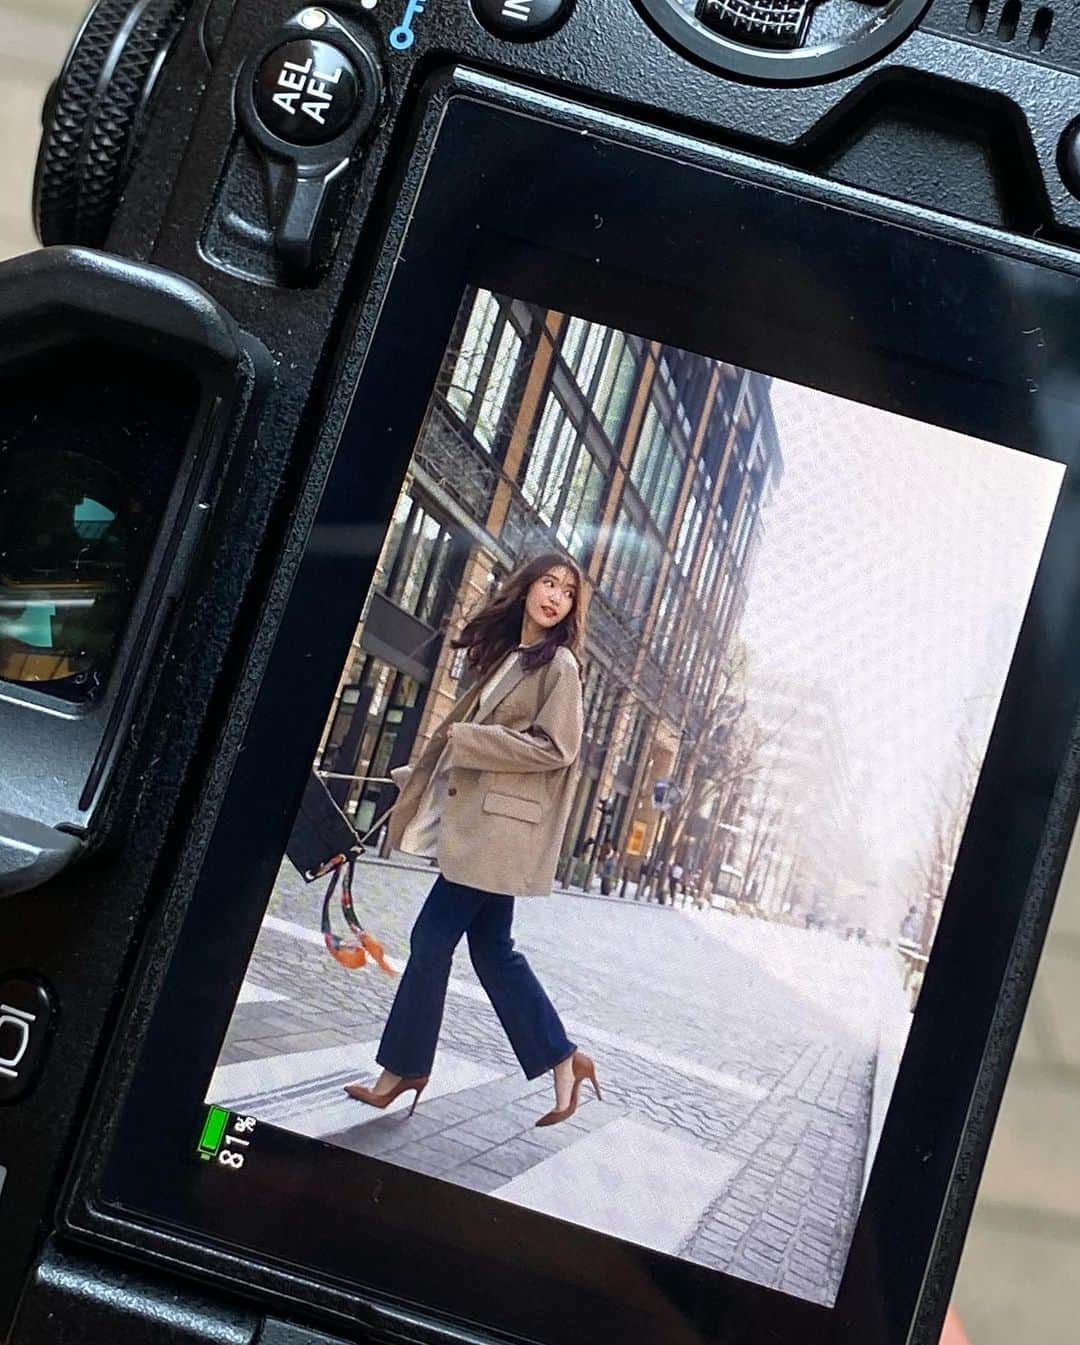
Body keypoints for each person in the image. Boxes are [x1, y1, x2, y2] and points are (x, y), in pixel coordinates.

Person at [343, 553, 600, 1127]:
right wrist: (420, 779)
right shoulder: (511, 658)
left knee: (431, 938)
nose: (555, 596)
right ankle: (563, 1058)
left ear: (571, 610)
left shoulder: (559, 666)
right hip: (487, 828)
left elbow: (557, 748)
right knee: (492, 951)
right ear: (528, 587)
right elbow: (471, 750)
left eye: (567, 592)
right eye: (548, 583)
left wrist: (474, 739)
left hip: (499, 834)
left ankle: (404, 1068)